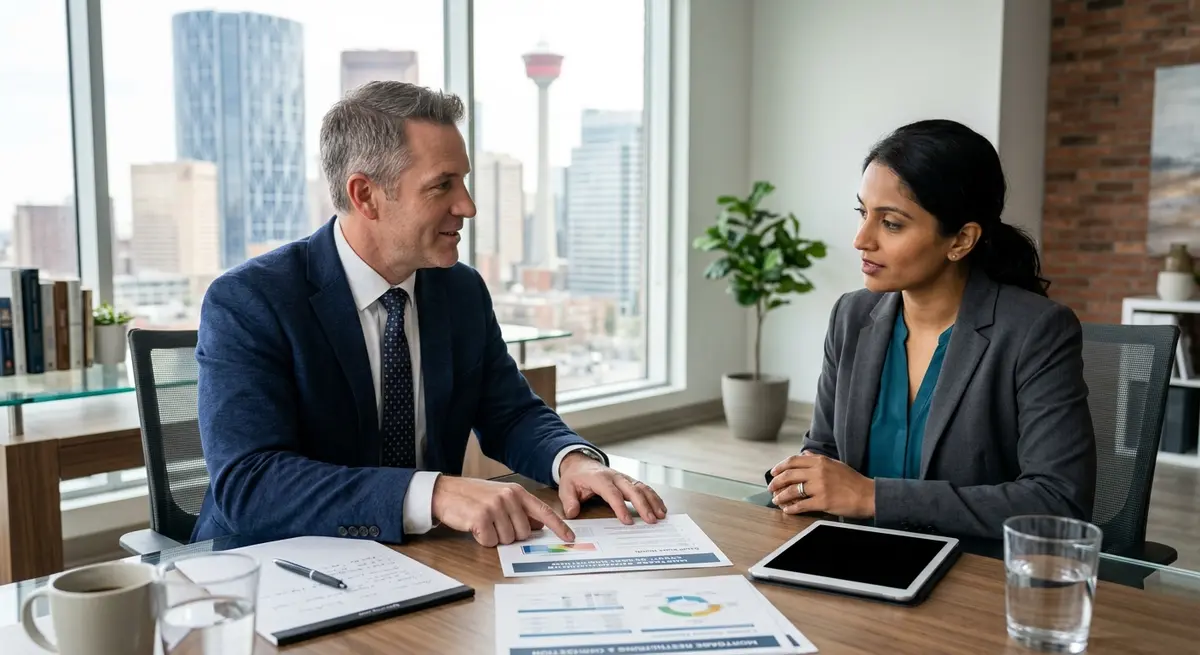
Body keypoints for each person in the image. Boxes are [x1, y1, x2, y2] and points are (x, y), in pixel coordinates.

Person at [191, 81, 667, 547]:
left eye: (464, 182)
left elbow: (510, 412)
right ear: (365, 195)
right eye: (443, 185)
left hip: (429, 560)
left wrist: (572, 462)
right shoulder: (251, 300)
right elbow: (249, 483)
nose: (468, 206)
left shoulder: (459, 289)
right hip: (275, 568)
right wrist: (434, 493)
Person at [766, 119, 1096, 540]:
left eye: (892, 223)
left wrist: (872, 497)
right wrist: (800, 479)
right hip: (857, 555)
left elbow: (1058, 502)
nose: (860, 239)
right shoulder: (851, 315)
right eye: (862, 212)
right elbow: (825, 451)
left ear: (961, 240)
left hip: (972, 577)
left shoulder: (1037, 330)